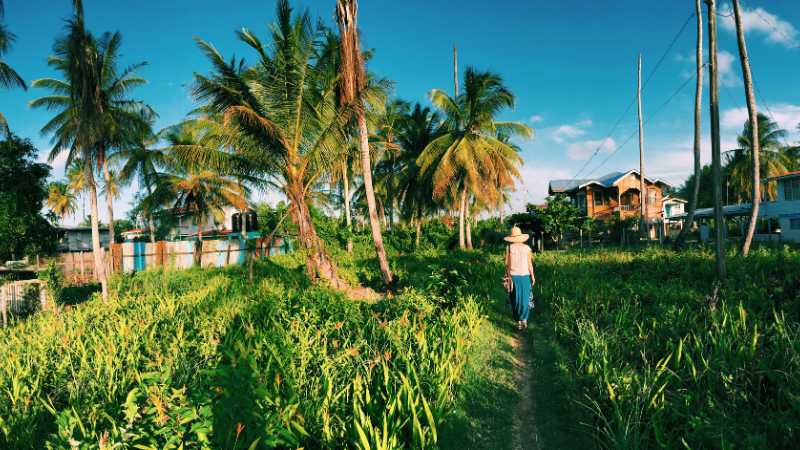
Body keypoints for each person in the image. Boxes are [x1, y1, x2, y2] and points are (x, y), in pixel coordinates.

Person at [504, 226, 535, 330]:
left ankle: (518, 322)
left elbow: (507, 264)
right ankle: (524, 320)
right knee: (525, 299)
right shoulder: (527, 248)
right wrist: (533, 276)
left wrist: (506, 275)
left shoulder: (509, 248)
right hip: (525, 276)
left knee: (515, 299)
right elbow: (530, 264)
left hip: (514, 277)